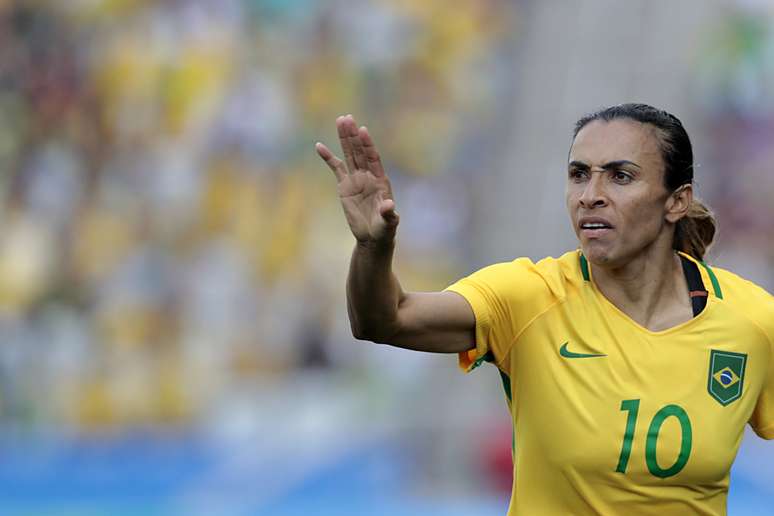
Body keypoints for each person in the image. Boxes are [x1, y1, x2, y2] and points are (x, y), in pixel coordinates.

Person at [315, 103, 774, 515]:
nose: (589, 194)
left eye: (620, 176)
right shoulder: (527, 297)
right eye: (578, 174)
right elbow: (383, 319)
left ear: (677, 200)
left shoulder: (752, 321)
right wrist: (373, 247)